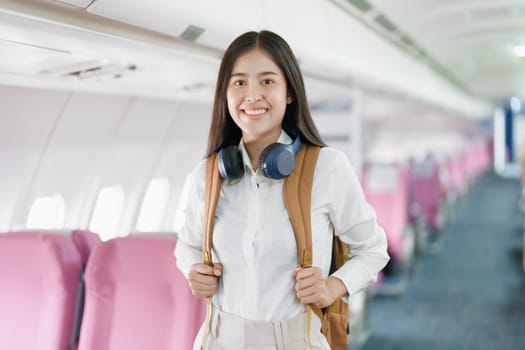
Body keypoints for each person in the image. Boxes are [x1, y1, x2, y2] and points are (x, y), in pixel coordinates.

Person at [174, 30, 389, 350]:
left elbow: (373, 249)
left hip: (294, 340)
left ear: (290, 92)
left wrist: (334, 286)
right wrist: (193, 269)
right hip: (218, 338)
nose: (252, 95)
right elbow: (186, 245)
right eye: (239, 82)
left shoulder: (327, 167)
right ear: (225, 94)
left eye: (267, 81)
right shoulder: (207, 176)